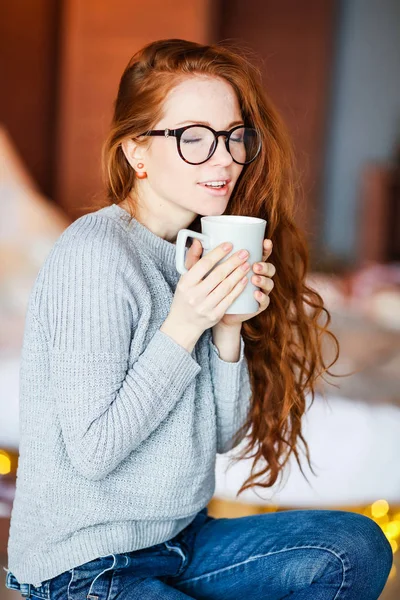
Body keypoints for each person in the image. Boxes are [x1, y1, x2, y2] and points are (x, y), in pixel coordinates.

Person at [5, 38, 392, 599]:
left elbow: (221, 434)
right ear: (137, 151)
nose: (225, 158)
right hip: (87, 565)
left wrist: (228, 328)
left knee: (354, 546)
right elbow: (94, 451)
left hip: (181, 541)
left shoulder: (193, 249)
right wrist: (185, 323)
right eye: (194, 139)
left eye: (234, 136)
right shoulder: (94, 255)